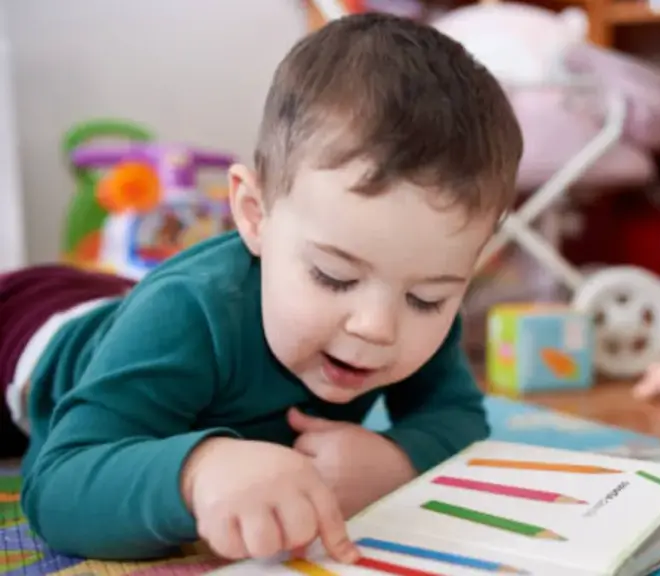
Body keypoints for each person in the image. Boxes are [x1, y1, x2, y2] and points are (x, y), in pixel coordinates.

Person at [0, 13, 522, 563]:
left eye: (427, 298)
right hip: (25, 323)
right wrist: (197, 472)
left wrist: (396, 459)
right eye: (334, 276)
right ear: (254, 215)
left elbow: (461, 420)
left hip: (119, 299)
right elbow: (57, 484)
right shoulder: (186, 314)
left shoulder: (411, 306)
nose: (378, 325)